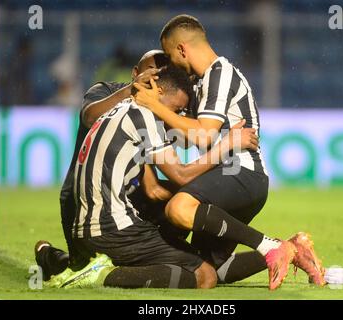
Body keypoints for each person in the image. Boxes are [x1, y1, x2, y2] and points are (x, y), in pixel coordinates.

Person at [133, 14, 325, 289]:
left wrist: (155, 106)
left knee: (179, 208)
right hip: (226, 176)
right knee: (211, 271)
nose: (170, 63)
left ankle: (269, 246)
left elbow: (203, 134)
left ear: (182, 49)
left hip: (242, 173)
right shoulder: (201, 83)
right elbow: (188, 139)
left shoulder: (220, 72)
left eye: (169, 54)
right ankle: (292, 248)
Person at [68, 65, 259, 289]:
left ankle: (67, 261)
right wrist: (228, 144)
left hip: (88, 228)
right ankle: (103, 276)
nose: (174, 118)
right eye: (176, 109)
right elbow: (181, 174)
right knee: (205, 276)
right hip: (113, 229)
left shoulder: (121, 109)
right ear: (158, 92)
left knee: (187, 248)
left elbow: (155, 187)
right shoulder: (144, 115)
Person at [35, 50, 172, 279]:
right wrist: (132, 91)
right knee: (80, 270)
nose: (154, 80)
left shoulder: (159, 105)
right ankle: (49, 256)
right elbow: (90, 117)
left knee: (176, 205)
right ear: (135, 73)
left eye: (161, 75)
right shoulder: (104, 91)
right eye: (150, 72)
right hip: (82, 200)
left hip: (127, 200)